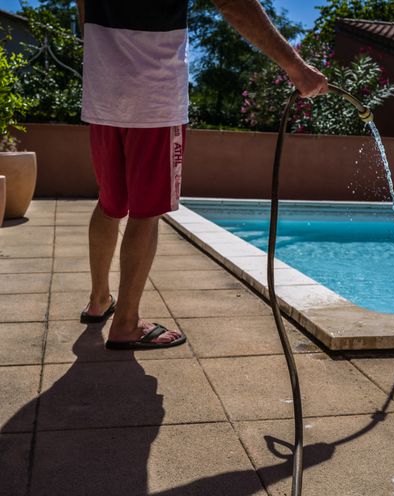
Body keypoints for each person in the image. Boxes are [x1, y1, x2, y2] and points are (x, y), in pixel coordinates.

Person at [77, 0, 328, 350]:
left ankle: (99, 300)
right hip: (152, 92)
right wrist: (297, 68)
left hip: (103, 89)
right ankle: (127, 324)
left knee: (110, 203)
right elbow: (233, 4)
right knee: (146, 211)